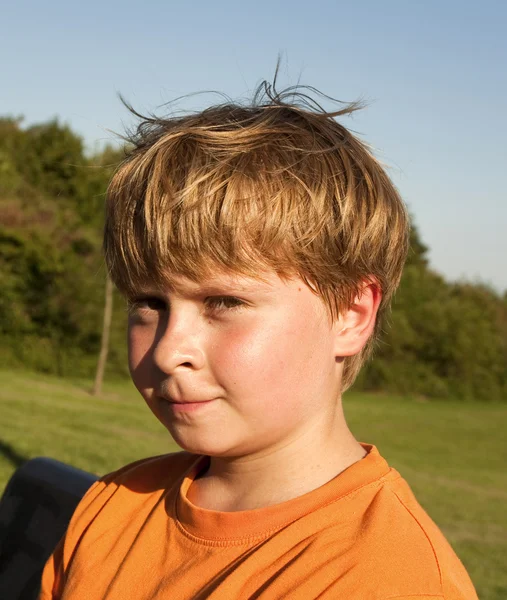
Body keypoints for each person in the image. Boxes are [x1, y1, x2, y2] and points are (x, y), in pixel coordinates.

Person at [39, 79, 478, 599]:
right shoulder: (112, 505)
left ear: (351, 314)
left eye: (223, 303)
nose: (168, 350)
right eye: (150, 303)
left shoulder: (387, 577)